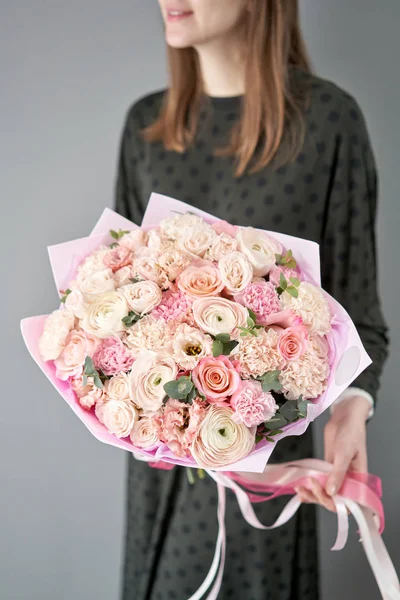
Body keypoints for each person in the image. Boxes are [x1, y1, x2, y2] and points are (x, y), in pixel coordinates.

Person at [115, 1, 389, 598]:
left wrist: (351, 412)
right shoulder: (145, 129)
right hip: (159, 472)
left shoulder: (327, 123)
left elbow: (359, 310)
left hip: (266, 470)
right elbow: (121, 306)